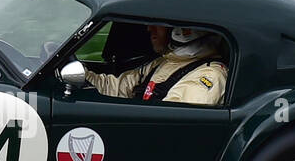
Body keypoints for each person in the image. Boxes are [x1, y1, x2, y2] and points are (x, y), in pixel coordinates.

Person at [86, 25, 227, 106]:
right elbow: (118, 88)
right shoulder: (165, 62)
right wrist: (82, 76)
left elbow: (172, 123)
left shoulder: (209, 75)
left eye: (158, 24)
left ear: (183, 30)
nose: (149, 28)